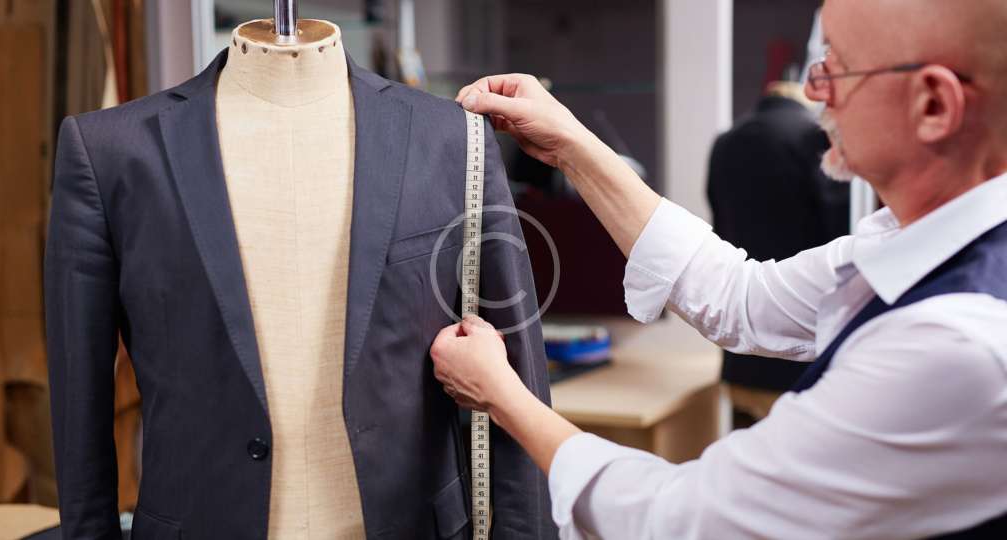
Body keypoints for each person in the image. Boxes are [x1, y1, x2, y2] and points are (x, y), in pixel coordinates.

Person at [430, 0, 1007, 537]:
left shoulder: (954, 344)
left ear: (934, 105)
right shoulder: (914, 241)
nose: (813, 91)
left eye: (840, 69)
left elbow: (683, 519)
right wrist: (569, 144)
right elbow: (740, 296)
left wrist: (503, 396)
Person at [707, 80, 849, 421]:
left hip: (740, 351)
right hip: (801, 351)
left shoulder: (724, 143)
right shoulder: (814, 139)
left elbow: (719, 227)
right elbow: (840, 235)